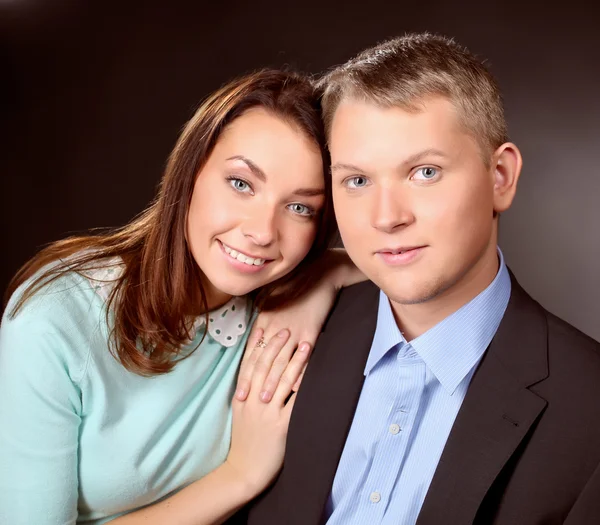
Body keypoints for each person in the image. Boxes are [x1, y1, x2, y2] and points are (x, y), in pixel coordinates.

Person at [243, 34, 600, 525]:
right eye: (358, 181)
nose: (387, 218)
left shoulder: (589, 407)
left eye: (425, 172)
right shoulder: (282, 339)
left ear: (500, 177)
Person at [0, 69, 362, 524]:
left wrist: (320, 280)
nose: (262, 232)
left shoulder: (274, 300)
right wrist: (240, 475)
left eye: (298, 208)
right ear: (190, 173)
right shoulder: (56, 318)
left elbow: (408, 256)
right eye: (241, 184)